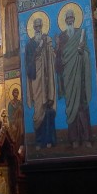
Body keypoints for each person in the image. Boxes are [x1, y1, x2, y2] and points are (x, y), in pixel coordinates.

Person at [55, 6, 92, 148]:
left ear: (74, 19)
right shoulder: (62, 37)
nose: (70, 20)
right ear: (65, 21)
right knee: (72, 107)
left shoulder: (80, 33)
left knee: (82, 106)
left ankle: (87, 138)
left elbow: (87, 54)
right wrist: (58, 48)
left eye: (72, 18)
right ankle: (74, 139)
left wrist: (83, 51)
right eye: (68, 18)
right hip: (69, 79)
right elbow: (58, 63)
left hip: (80, 78)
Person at [25, 14, 57, 148]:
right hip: (36, 81)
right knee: (38, 111)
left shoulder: (47, 40)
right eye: (36, 26)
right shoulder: (30, 44)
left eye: (40, 26)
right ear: (33, 28)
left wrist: (51, 47)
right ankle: (38, 141)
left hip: (46, 80)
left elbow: (53, 57)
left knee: (48, 110)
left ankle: (48, 140)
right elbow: (27, 64)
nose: (38, 28)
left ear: (42, 27)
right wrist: (37, 51)